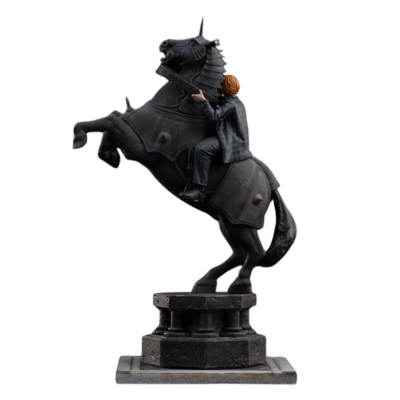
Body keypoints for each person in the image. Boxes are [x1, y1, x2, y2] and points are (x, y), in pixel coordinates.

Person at [179, 73, 251, 202]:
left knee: (202, 149)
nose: (219, 87)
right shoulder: (236, 101)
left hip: (233, 142)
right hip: (235, 138)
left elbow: (214, 116)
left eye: (221, 85)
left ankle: (200, 190)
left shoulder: (231, 104)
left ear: (226, 87)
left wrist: (203, 101)